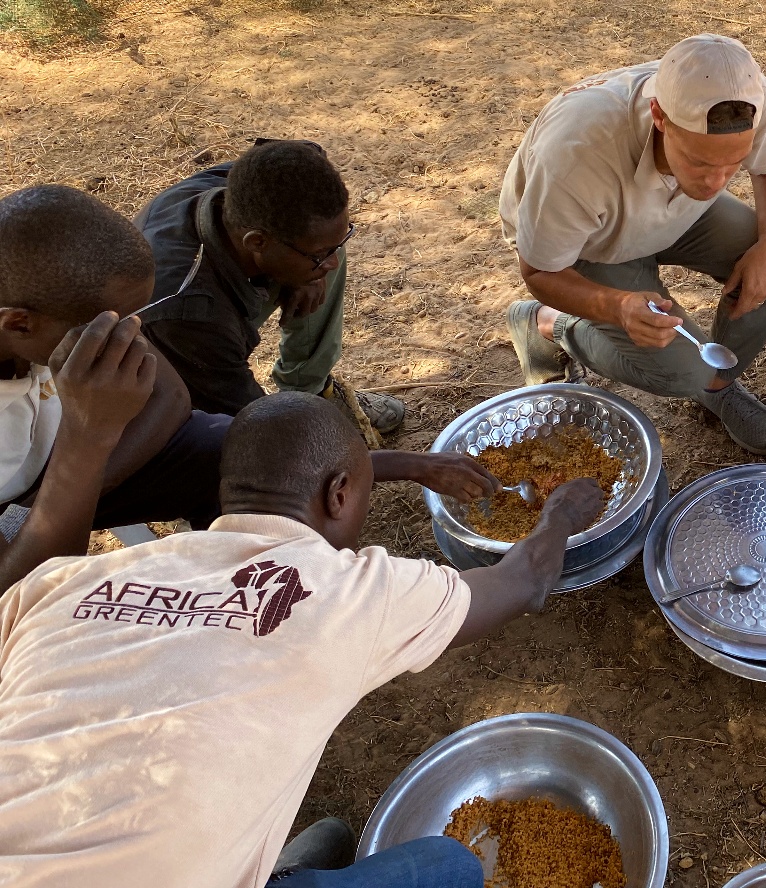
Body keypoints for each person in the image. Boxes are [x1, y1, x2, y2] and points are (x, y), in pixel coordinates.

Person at [0, 391, 606, 887]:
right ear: (340, 494)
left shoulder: (58, 582)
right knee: (449, 869)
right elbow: (524, 582)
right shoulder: (350, 594)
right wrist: (560, 513)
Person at [500, 34, 766, 455]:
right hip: (590, 242)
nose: (718, 182)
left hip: (677, 212)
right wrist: (617, 307)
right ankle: (547, 326)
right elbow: (539, 271)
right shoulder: (575, 157)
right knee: (679, 375)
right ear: (659, 115)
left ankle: (716, 385)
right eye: (700, 161)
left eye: (734, 163)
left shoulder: (747, 99)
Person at [0, 184, 229, 591]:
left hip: (61, 476)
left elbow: (170, 397)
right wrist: (87, 437)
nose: (128, 335)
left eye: (133, 317)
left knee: (232, 450)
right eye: (108, 327)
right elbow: (29, 590)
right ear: (19, 323)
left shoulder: (70, 315)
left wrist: (64, 488)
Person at [136, 138, 404, 446]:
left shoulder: (253, 189)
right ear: (257, 242)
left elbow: (305, 152)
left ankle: (311, 392)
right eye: (319, 254)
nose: (330, 263)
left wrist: (307, 275)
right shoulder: (190, 311)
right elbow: (255, 424)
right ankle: (304, 413)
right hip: (161, 373)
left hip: (230, 285)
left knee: (321, 250)